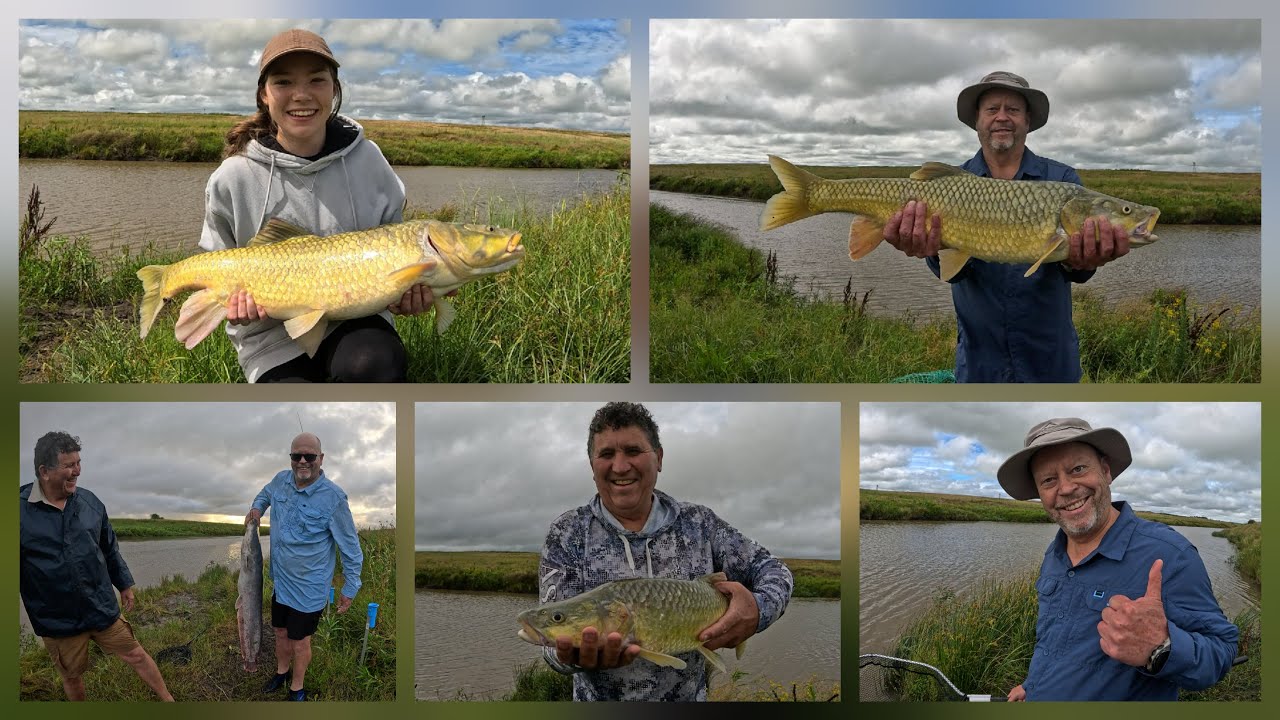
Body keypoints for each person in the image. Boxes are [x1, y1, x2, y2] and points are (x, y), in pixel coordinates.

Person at [200, 28, 439, 383]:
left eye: (317, 80)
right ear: (264, 94)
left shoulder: (370, 159)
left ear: (334, 89)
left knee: (374, 365)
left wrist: (406, 294)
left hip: (356, 319)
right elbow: (216, 263)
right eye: (283, 82)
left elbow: (397, 242)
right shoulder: (232, 177)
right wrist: (230, 303)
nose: (301, 95)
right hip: (268, 336)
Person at [535, 402, 794, 701]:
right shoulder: (567, 532)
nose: (620, 466)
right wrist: (569, 656)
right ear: (592, 466)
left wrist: (758, 610)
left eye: (633, 451)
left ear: (658, 458)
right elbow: (550, 642)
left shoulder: (700, 523)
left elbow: (776, 571)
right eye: (606, 454)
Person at [883, 71, 1131, 382]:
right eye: (992, 109)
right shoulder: (950, 183)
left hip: (1050, 362)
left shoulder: (1063, 181)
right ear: (977, 120)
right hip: (979, 363)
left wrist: (1081, 261)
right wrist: (928, 249)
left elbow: (1079, 271)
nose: (1002, 117)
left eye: (1013, 109)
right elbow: (951, 272)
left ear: (1027, 121)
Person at [996, 418, 1238, 701]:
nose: (1066, 488)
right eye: (1048, 480)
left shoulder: (1169, 554)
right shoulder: (1055, 552)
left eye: (1078, 469)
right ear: (1040, 493)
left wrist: (1160, 649)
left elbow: (1222, 650)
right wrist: (1034, 684)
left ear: (1106, 471)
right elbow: (1055, 641)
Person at [19, 432, 174, 701]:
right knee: (72, 676)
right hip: (57, 619)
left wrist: (124, 584)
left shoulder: (90, 503)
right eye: (69, 465)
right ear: (44, 471)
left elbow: (109, 549)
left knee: (136, 654)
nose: (77, 471)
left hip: (100, 606)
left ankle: (168, 700)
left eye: (79, 462)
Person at [244, 432, 364, 701]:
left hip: (309, 588)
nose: (302, 461)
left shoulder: (334, 498)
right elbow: (264, 494)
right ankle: (281, 672)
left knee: (300, 641)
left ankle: (297, 687)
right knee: (280, 632)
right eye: (296, 455)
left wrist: (350, 587)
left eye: (309, 456)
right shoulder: (280, 480)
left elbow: (351, 549)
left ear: (321, 458)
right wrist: (257, 509)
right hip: (280, 582)